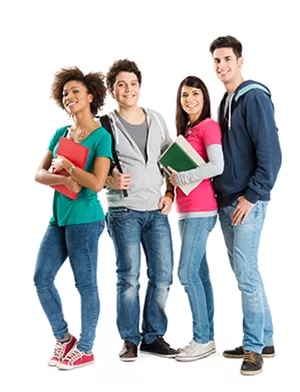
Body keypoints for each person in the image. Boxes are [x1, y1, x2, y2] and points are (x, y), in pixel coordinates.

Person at [209, 36, 282, 375]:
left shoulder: (253, 97)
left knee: (247, 276)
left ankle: (253, 348)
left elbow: (271, 155)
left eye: (226, 59)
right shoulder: (226, 100)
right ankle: (264, 338)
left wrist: (252, 196)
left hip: (246, 202)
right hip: (226, 200)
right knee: (245, 272)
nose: (221, 66)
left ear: (240, 60)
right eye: (216, 60)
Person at [34, 67, 112, 370]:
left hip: (85, 219)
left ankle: (87, 348)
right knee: (41, 279)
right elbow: (39, 174)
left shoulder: (101, 137)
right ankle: (64, 338)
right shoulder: (59, 133)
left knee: (86, 285)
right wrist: (64, 181)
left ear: (91, 96)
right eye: (65, 93)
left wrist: (69, 166)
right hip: (59, 218)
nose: (70, 97)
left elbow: (96, 183)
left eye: (76, 91)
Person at [104, 59, 178, 361]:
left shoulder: (157, 119)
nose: (128, 89)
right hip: (124, 213)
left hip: (156, 211)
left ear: (139, 86)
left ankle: (153, 335)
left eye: (133, 84)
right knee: (129, 277)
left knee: (162, 276)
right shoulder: (104, 124)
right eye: (121, 84)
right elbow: (94, 169)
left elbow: (171, 161)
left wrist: (170, 193)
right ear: (112, 90)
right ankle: (130, 339)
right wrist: (110, 178)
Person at [167, 76, 224, 362]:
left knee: (186, 274)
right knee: (199, 274)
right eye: (184, 95)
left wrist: (183, 177)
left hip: (202, 210)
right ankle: (207, 336)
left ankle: (202, 338)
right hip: (185, 211)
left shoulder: (209, 127)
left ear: (205, 97)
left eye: (195, 94)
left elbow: (217, 165)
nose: (189, 99)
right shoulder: (187, 130)